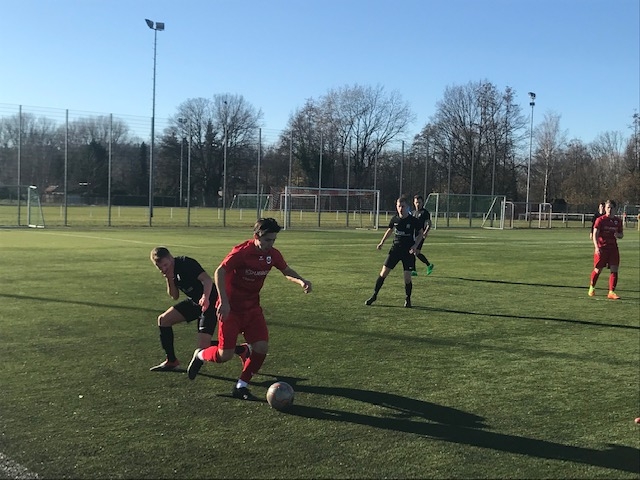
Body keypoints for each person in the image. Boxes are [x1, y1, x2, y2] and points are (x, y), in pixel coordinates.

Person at [187, 218, 312, 400]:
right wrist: (224, 301)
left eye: (273, 240)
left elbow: (286, 270)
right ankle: (200, 355)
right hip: (231, 310)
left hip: (252, 309)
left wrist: (301, 281)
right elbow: (220, 271)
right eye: (267, 240)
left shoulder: (272, 254)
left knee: (261, 347)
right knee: (224, 355)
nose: (270, 244)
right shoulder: (242, 252)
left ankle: (241, 385)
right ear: (256, 236)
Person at [149, 247, 246, 371]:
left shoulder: (186, 263)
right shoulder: (170, 273)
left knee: (203, 347)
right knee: (163, 320)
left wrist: (205, 297)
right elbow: (174, 296)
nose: (163, 269)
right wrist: (169, 279)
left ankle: (241, 349)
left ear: (170, 258)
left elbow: (207, 280)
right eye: (160, 267)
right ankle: (172, 361)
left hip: (210, 302)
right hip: (195, 302)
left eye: (165, 265)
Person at [365, 197, 424, 308]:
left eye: (403, 206)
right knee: (383, 273)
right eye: (399, 206)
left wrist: (415, 245)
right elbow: (390, 230)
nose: (401, 208)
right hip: (395, 250)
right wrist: (382, 242)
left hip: (408, 252)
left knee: (407, 278)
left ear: (407, 207)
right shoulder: (395, 219)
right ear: (396, 207)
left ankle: (408, 299)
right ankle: (374, 295)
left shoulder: (413, 220)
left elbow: (421, 233)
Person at [588, 200, 624, 299]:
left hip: (613, 248)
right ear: (605, 208)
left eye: (611, 208)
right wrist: (596, 247)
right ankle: (592, 287)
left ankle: (611, 292)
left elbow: (621, 235)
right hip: (602, 248)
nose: (609, 209)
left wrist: (618, 235)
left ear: (615, 209)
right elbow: (595, 234)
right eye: (608, 207)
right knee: (598, 270)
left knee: (614, 269)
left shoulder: (618, 221)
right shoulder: (600, 220)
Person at [411, 194, 434, 276]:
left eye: (419, 202)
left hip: (420, 235)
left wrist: (425, 232)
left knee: (413, 252)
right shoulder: (413, 213)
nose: (418, 204)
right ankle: (429, 265)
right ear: (414, 203)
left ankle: (413, 270)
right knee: (416, 253)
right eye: (416, 202)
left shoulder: (425, 212)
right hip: (413, 235)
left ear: (422, 203)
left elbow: (429, 223)